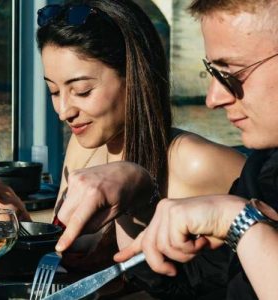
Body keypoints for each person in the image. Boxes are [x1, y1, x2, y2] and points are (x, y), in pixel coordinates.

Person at [0, 0, 244, 272]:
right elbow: (65, 264)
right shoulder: (81, 147)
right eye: (54, 91)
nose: (63, 112)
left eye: (82, 91)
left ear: (133, 77)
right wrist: (19, 222)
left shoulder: (198, 163)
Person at [53, 0, 278, 298]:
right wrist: (141, 194)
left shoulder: (223, 171)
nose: (213, 98)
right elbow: (192, 288)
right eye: (53, 91)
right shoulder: (263, 169)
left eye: (232, 73)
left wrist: (238, 220)